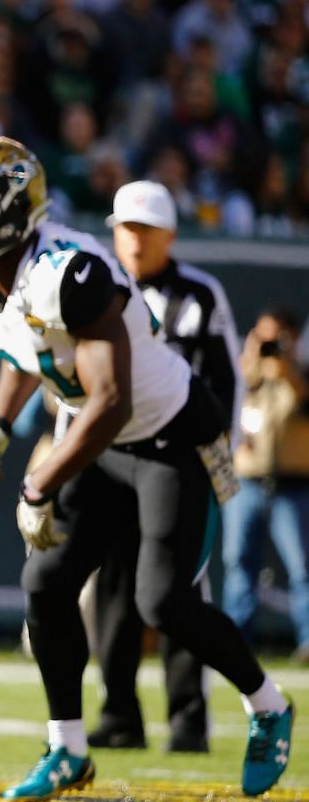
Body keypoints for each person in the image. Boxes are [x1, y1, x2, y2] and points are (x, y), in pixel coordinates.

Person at [0, 136, 293, 801]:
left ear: (12, 213)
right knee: (45, 579)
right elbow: (22, 347)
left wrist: (38, 483)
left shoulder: (69, 272)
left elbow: (112, 399)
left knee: (162, 599)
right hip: (100, 435)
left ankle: (268, 704)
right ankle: (68, 748)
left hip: (166, 435)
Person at [84, 180, 242, 753]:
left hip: (178, 458)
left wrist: (220, 446)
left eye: (146, 228)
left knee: (177, 590)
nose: (134, 239)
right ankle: (119, 714)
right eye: (126, 228)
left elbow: (225, 378)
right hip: (115, 455)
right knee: (116, 588)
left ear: (170, 234)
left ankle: (188, 718)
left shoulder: (199, 294)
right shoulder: (96, 287)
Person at [221, 306, 309, 661]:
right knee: (237, 561)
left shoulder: (299, 375)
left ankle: (307, 641)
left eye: (278, 339)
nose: (270, 345)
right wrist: (251, 361)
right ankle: (233, 640)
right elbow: (226, 402)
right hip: (247, 482)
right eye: (264, 336)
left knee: (303, 566)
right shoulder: (245, 377)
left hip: (293, 484)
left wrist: (285, 368)